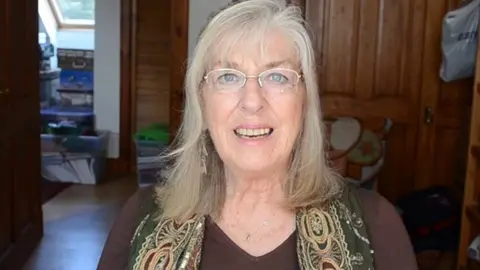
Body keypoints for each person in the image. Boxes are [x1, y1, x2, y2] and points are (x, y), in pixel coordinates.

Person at [98, 0, 418, 269]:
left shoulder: (375, 225)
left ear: (304, 102)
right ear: (202, 104)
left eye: (277, 76)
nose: (252, 101)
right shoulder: (140, 219)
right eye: (228, 77)